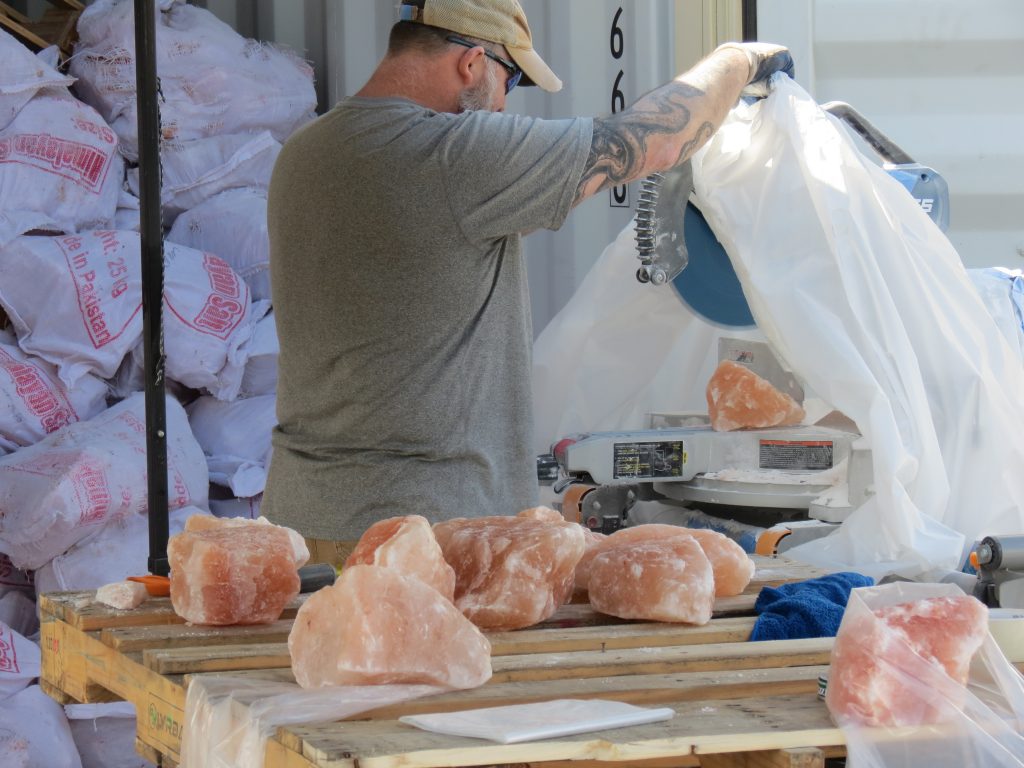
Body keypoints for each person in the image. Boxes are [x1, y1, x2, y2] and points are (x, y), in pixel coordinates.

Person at [263, 0, 794, 567]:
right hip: (421, 537)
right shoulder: (449, 156)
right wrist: (738, 61)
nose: (502, 102)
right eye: (510, 79)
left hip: (304, 521)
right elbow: (652, 142)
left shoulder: (305, 153)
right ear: (472, 63)